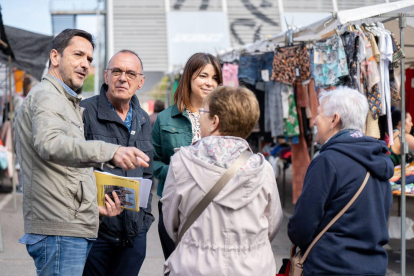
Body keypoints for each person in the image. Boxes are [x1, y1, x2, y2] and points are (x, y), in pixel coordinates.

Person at [14, 29, 150, 276]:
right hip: (59, 230)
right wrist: (111, 151)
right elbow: (50, 144)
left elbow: (67, 172)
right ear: (55, 57)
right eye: (78, 55)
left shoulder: (64, 100)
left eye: (89, 58)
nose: (85, 64)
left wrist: (92, 205)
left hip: (72, 226)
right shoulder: (48, 97)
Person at [161, 86, 283, 275]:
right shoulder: (263, 168)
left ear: (214, 122)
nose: (199, 117)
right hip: (253, 268)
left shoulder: (181, 163)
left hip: (194, 267)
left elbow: (171, 222)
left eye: (202, 112)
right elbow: (273, 223)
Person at [288, 87, 393, 275]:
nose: (314, 121)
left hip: (331, 266)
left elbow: (302, 227)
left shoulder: (327, 161)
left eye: (319, 114)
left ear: (334, 120)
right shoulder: (380, 159)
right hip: (374, 267)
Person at [81, 49, 154, 276]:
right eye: (117, 71)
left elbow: (148, 174)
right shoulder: (85, 111)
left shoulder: (143, 119)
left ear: (140, 82)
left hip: (133, 235)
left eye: (131, 73)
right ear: (106, 76)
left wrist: (145, 219)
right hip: (96, 233)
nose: (123, 78)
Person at [152, 52, 222, 259]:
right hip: (175, 206)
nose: (210, 83)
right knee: (176, 266)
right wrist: (178, 171)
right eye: (203, 76)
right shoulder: (165, 118)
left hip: (214, 207)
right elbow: (154, 162)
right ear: (188, 78)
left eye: (215, 78)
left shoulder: (224, 119)